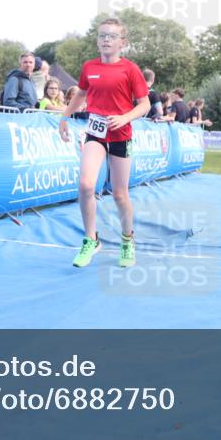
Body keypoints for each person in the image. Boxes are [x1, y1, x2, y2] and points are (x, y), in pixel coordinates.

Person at [59, 18, 150, 268]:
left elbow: (145, 104)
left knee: (120, 194)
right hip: (96, 133)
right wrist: (64, 117)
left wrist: (124, 118)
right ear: (97, 41)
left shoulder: (130, 69)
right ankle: (91, 239)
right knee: (85, 185)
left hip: (121, 135)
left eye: (112, 36)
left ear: (123, 42)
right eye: (102, 36)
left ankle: (127, 239)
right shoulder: (89, 67)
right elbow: (81, 93)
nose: (106, 39)